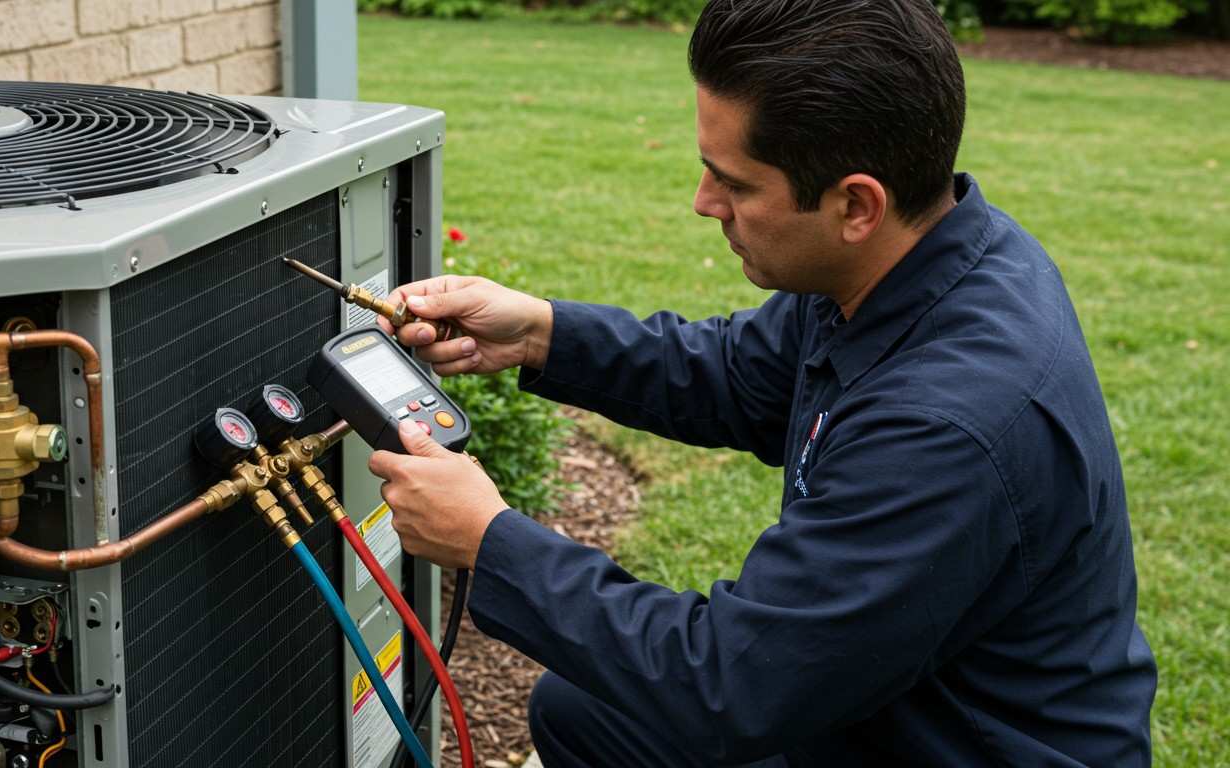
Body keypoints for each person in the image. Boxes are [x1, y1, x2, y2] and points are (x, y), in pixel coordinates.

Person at [366, 0, 1158, 765]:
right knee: (586, 713)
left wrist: (491, 541)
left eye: (736, 184)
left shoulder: (946, 426)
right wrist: (539, 332)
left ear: (856, 203)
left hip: (953, 746)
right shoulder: (914, 262)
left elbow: (731, 686)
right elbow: (740, 376)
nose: (704, 202)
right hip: (884, 703)